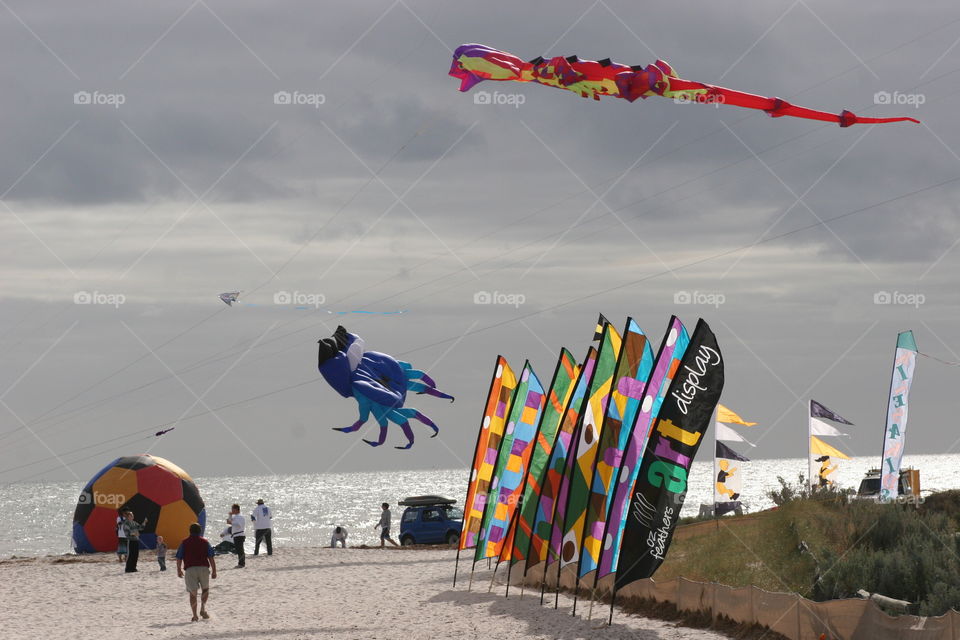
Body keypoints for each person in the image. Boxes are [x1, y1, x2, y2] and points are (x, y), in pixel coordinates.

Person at [176, 523, 218, 622]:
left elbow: (179, 557)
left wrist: (179, 569)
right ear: (200, 531)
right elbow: (211, 557)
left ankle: (195, 616)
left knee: (193, 593)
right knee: (205, 590)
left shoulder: (184, 542)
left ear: (190, 531)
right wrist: (214, 570)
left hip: (190, 569)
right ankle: (202, 608)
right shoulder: (205, 542)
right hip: (203, 568)